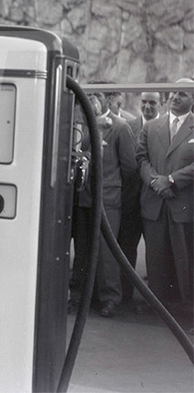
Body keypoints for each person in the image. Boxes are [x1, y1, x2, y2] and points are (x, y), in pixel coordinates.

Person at [69, 88, 137, 317]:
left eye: (95, 96)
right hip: (82, 198)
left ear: (106, 99)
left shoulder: (120, 127)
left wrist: (113, 190)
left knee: (107, 252)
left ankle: (110, 298)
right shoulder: (79, 126)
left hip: (107, 200)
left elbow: (129, 168)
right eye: (87, 96)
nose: (91, 101)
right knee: (82, 250)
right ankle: (79, 297)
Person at [136, 79, 193, 327]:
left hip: (183, 205)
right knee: (155, 258)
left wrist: (171, 180)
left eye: (182, 94)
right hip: (155, 202)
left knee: (186, 260)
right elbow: (141, 158)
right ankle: (157, 308)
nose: (175, 97)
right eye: (173, 93)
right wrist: (155, 182)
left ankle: (188, 312)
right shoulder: (151, 127)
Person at [120, 91, 162, 307]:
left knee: (155, 253)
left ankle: (154, 301)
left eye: (152, 103)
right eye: (144, 102)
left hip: (156, 200)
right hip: (130, 201)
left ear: (160, 103)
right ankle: (125, 295)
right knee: (127, 247)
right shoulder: (129, 126)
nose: (147, 107)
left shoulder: (166, 129)